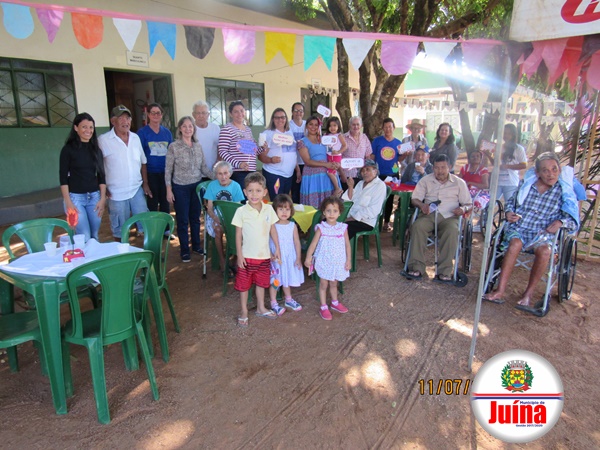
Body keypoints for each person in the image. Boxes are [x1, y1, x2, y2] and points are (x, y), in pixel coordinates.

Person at [482, 153, 580, 306]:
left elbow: (573, 220)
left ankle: (528, 294)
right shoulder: (526, 185)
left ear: (559, 170)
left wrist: (561, 222)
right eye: (545, 170)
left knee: (545, 251)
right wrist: (509, 212)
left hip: (544, 233)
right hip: (520, 227)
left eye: (554, 169)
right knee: (515, 244)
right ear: (538, 172)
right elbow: (511, 203)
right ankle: (500, 290)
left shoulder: (564, 192)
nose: (550, 174)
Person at [403, 154, 472, 282]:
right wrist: (422, 205)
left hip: (450, 216)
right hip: (429, 215)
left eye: (443, 167)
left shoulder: (459, 183)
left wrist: (462, 209)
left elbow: (468, 204)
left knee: (452, 230)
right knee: (417, 226)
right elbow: (415, 199)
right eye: (436, 168)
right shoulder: (425, 180)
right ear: (432, 168)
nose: (440, 171)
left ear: (449, 167)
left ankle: (444, 271)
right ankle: (417, 267)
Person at [232, 172, 279, 327]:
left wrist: (277, 248)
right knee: (243, 286)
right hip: (247, 257)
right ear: (245, 192)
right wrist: (239, 255)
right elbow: (238, 235)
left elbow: (273, 230)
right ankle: (244, 311)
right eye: (250, 191)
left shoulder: (269, 209)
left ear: (264, 192)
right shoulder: (241, 211)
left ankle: (260, 307)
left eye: (258, 190)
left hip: (264, 256)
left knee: (261, 283)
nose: (254, 194)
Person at [165, 116, 213, 263]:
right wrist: (169, 189)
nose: (188, 129)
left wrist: (217, 177)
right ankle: (185, 250)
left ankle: (196, 246)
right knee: (183, 220)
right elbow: (168, 170)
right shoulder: (174, 146)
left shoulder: (197, 146)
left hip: (196, 187)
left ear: (194, 129)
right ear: (180, 128)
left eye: (190, 126)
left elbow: (203, 167)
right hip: (180, 188)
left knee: (195, 218)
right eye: (184, 126)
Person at [99, 105, 150, 240]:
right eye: (121, 118)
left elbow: (143, 162)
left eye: (127, 118)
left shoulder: (135, 138)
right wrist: (103, 188)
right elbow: (98, 167)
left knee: (145, 225)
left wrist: (145, 183)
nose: (125, 121)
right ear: (113, 121)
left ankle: (145, 251)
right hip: (115, 193)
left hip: (136, 190)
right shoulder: (103, 140)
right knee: (120, 231)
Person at [59, 112, 106, 242]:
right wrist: (68, 201)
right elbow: (63, 178)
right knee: (84, 236)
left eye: (91, 127)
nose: (88, 130)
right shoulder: (68, 150)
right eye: (84, 127)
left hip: (94, 198)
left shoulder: (96, 150)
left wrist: (102, 198)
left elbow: (101, 176)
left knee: (94, 236)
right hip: (75, 198)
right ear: (76, 128)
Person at [305, 196, 351, 321]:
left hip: (337, 262)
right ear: (324, 212)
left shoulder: (343, 228)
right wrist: (308, 257)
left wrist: (348, 260)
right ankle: (323, 306)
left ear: (339, 213)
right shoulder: (321, 228)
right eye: (328, 211)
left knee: (334, 283)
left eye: (335, 211)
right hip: (324, 261)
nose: (331, 214)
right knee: (323, 284)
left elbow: (347, 245)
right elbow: (313, 244)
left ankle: (335, 302)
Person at [203, 161, 245, 271]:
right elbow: (209, 208)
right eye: (220, 174)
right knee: (217, 229)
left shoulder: (236, 186)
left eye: (225, 173)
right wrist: (217, 219)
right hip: (216, 214)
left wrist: (229, 220)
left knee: (239, 230)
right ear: (216, 175)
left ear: (230, 173)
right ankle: (222, 260)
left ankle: (235, 258)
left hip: (232, 214)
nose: (223, 177)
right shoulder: (212, 186)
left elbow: (237, 208)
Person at [267, 194, 304, 316]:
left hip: (289, 257)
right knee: (276, 280)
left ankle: (288, 299)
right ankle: (274, 303)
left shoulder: (292, 225)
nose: (284, 212)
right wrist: (270, 254)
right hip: (276, 259)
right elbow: (266, 241)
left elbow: (297, 242)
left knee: (286, 278)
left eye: (287, 209)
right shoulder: (272, 225)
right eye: (281, 209)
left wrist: (298, 257)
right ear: (275, 210)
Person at [136, 103, 173, 218]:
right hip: (150, 173)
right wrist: (145, 182)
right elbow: (140, 156)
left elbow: (171, 153)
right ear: (148, 115)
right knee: (152, 202)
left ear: (162, 115)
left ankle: (166, 227)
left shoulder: (167, 132)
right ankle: (153, 227)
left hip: (165, 173)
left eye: (158, 113)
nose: (156, 115)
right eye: (153, 113)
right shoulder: (142, 133)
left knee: (165, 202)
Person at [218, 100, 264, 187]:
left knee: (251, 194)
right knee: (241, 195)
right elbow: (222, 152)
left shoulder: (248, 130)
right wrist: (238, 164)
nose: (239, 114)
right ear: (230, 114)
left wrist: (263, 147)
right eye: (236, 112)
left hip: (251, 171)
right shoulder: (226, 129)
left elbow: (254, 151)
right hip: (237, 172)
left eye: (242, 111)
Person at [297, 115, 339, 208]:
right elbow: (307, 161)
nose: (313, 127)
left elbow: (330, 153)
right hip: (313, 178)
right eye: (311, 124)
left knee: (330, 206)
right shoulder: (302, 142)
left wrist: (335, 162)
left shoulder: (325, 139)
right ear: (306, 126)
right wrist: (325, 164)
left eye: (316, 125)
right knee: (314, 207)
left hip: (327, 177)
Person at [258, 108, 298, 200]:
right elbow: (260, 156)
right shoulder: (267, 134)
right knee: (277, 201)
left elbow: (292, 153)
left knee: (284, 201)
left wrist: (297, 170)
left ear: (286, 119)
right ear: (273, 119)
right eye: (277, 117)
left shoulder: (289, 132)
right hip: (274, 173)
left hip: (288, 174)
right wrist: (271, 160)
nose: (280, 120)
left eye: (282, 117)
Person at [342, 159, 387, 239]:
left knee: (341, 230)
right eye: (362, 170)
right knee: (327, 223)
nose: (365, 172)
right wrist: (350, 187)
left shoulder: (380, 185)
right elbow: (349, 200)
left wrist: (352, 218)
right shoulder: (360, 183)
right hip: (350, 217)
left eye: (368, 169)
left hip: (365, 221)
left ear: (375, 171)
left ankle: (339, 247)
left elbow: (374, 209)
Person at [482, 123, 527, 202]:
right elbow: (496, 164)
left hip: (511, 182)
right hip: (497, 181)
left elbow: (523, 165)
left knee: (509, 205)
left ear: (513, 135)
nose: (506, 136)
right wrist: (488, 155)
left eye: (509, 133)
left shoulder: (519, 149)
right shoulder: (498, 147)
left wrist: (507, 166)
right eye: (504, 133)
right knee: (490, 204)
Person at [371, 117, 402, 230]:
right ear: (383, 128)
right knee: (377, 198)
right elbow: (372, 157)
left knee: (390, 198)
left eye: (390, 127)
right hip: (379, 174)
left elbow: (399, 159)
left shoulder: (398, 143)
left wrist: (405, 155)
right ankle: (374, 222)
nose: (388, 129)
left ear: (394, 128)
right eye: (385, 127)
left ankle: (386, 222)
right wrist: (372, 171)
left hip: (393, 174)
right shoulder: (377, 141)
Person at [342, 116, 372, 189]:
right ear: (349, 125)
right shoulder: (343, 138)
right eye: (353, 124)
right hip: (347, 175)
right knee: (347, 195)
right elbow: (338, 157)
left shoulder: (364, 138)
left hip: (362, 175)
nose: (356, 127)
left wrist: (368, 172)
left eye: (358, 124)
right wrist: (341, 174)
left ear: (361, 126)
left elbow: (368, 156)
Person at [193, 100, 220, 175]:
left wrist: (218, 162)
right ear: (193, 115)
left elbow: (220, 147)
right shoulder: (190, 129)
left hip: (213, 170)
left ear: (208, 114)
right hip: (195, 173)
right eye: (198, 113)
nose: (201, 116)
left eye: (204, 113)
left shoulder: (215, 128)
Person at [323, 116, 347, 197]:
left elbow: (345, 146)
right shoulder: (326, 135)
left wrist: (338, 152)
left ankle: (337, 188)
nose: (332, 128)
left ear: (338, 126)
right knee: (331, 172)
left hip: (336, 157)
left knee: (330, 172)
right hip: (328, 156)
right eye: (330, 126)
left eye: (334, 125)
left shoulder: (339, 135)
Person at [289, 102, 306, 204]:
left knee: (305, 190)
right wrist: (297, 169)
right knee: (295, 190)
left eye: (301, 111)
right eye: (296, 110)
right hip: (293, 162)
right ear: (292, 112)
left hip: (306, 162)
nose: (298, 113)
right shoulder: (288, 125)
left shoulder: (307, 125)